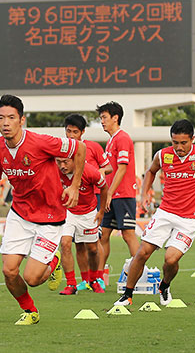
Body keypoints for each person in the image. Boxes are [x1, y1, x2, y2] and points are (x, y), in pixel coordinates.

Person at [0, 94, 83, 325]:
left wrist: (74, 187)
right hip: (19, 214)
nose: (5, 123)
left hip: (50, 217)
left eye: (11, 117)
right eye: (1, 118)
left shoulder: (40, 142)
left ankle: (53, 261)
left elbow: (79, 149)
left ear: (22, 120)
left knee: (32, 278)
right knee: (9, 271)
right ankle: (30, 311)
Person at [113, 119, 195, 307]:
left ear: (192, 139)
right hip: (165, 212)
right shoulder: (162, 155)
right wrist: (144, 194)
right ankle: (127, 295)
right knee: (142, 252)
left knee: (170, 260)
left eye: (183, 143)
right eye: (175, 142)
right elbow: (150, 172)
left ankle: (164, 285)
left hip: (191, 218)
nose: (178, 147)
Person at [95, 101, 140, 287]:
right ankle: (98, 278)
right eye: (101, 118)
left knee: (128, 234)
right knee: (103, 234)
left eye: (104, 118)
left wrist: (110, 193)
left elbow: (122, 168)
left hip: (123, 194)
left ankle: (141, 273)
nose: (102, 122)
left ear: (115, 118)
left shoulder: (122, 138)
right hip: (111, 195)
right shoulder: (111, 140)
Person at [63, 113, 111, 291]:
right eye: (68, 131)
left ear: (82, 132)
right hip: (69, 208)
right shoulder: (59, 151)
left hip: (91, 199)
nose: (71, 135)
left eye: (75, 132)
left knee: (92, 246)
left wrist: (95, 172)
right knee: (71, 244)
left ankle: (96, 278)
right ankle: (75, 282)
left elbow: (109, 168)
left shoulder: (93, 148)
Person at [54, 153, 108, 296]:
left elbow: (104, 187)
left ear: (74, 160)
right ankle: (71, 284)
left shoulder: (89, 171)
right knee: (65, 243)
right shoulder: (54, 170)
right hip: (67, 212)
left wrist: (101, 211)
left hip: (88, 213)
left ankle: (94, 279)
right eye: (59, 162)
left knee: (92, 249)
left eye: (65, 162)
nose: (62, 166)